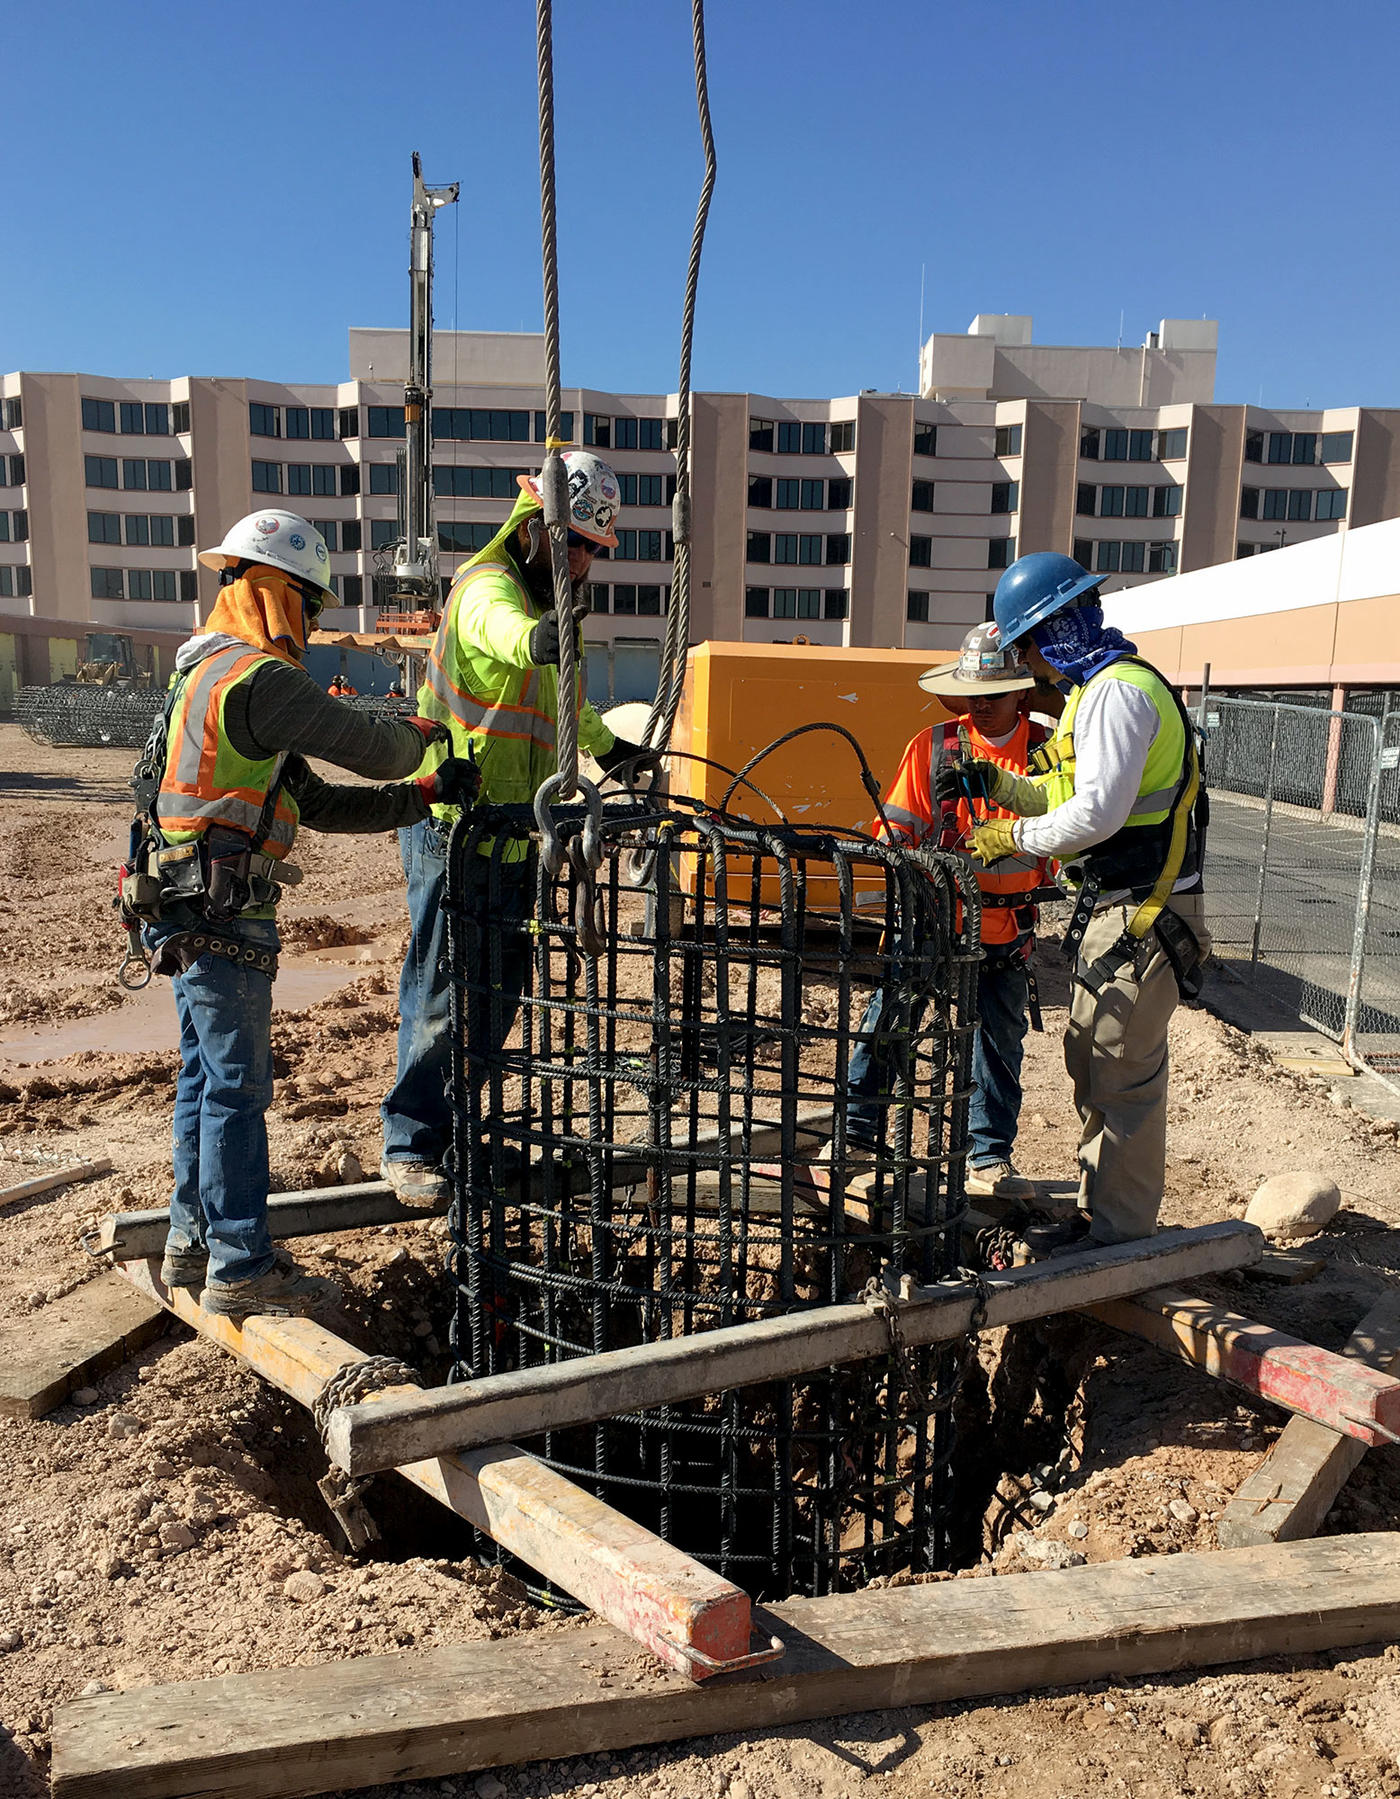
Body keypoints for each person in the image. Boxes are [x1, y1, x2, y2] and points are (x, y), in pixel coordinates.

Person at [134, 509, 478, 1320]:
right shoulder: (262, 679)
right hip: (222, 910)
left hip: (178, 901)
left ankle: (192, 1238)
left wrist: (419, 798)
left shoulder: (203, 669)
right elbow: (369, 744)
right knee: (236, 1089)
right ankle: (242, 1263)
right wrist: (424, 737)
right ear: (276, 591)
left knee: (204, 1076)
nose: (314, 624)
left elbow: (312, 800)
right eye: (312, 606)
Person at [379, 451, 658, 1204]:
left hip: (512, 835)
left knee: (499, 995)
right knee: (441, 992)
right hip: (452, 828)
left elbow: (563, 704)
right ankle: (410, 1143)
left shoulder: (543, 607)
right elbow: (500, 635)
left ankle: (452, 1131)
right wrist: (543, 636)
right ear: (537, 526)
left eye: (596, 552)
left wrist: (611, 750)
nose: (586, 564)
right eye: (578, 545)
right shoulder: (486, 588)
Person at [967, 551, 1210, 1247]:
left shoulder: (1117, 693)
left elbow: (1096, 815)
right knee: (1095, 1060)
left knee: (1121, 1075)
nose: (1031, 665)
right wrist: (1002, 785)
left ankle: (1115, 1236)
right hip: (1120, 912)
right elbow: (1068, 792)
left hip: (1144, 912)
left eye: (1030, 646)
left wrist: (1012, 835)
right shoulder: (1093, 690)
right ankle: (1100, 1212)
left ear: (1052, 630)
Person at [843, 623, 1054, 1201]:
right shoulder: (934, 746)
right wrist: (917, 840)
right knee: (889, 1023)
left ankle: (987, 1157)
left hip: (1008, 926)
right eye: (972, 696)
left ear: (1022, 693)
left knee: (997, 1042)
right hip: (934, 921)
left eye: (993, 695)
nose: (980, 707)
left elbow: (1067, 836)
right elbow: (891, 833)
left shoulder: (1046, 753)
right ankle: (858, 1136)